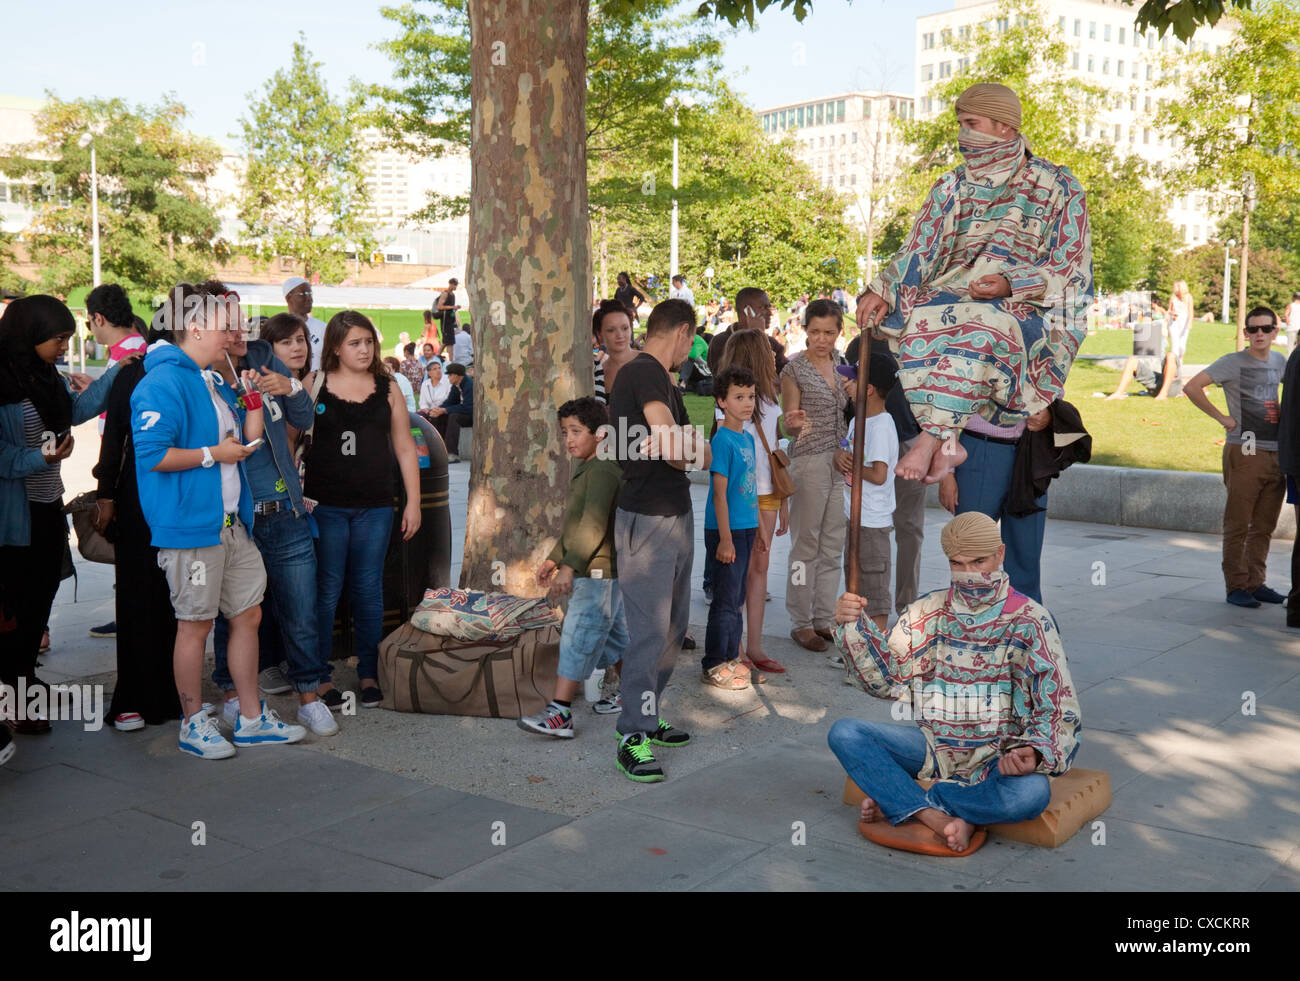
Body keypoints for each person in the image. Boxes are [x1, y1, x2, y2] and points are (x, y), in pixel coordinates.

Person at [856, 82, 1092, 486]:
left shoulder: (1058, 185)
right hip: (958, 296)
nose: (963, 135)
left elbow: (1070, 266)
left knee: (986, 323)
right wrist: (884, 286)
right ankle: (949, 442)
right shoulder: (951, 185)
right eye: (960, 124)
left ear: (1003, 126)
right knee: (922, 320)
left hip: (1034, 308)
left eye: (971, 123)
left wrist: (1009, 282)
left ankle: (932, 439)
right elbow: (921, 244)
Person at [827, 512, 1081, 854]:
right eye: (957, 563)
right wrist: (851, 627)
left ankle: (913, 802)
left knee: (1031, 795)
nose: (969, 574)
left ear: (1000, 554)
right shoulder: (927, 611)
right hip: (934, 748)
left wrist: (1033, 754)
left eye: (979, 561)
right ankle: (941, 817)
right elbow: (887, 679)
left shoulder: (1032, 621)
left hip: (998, 757)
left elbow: (1057, 710)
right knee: (845, 733)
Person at [131, 282, 306, 758]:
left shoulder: (210, 378)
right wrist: (213, 453)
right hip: (191, 528)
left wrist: (251, 405)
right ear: (195, 328)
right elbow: (153, 455)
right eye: (224, 323)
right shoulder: (163, 381)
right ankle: (193, 723)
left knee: (247, 614)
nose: (235, 331)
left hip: (231, 524)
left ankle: (251, 718)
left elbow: (243, 444)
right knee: (195, 625)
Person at [0, 296, 130, 734]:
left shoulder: (44, 376)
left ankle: (24, 683)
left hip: (47, 505)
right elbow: (1, 457)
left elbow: (73, 411)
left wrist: (116, 374)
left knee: (40, 599)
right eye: (57, 339)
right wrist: (42, 455)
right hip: (13, 516)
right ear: (30, 334)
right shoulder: (2, 382)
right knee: (14, 606)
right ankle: (13, 695)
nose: (62, 347)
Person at [207, 310, 337, 736]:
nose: (239, 330)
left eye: (241, 320)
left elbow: (305, 417)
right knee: (234, 614)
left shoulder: (263, 357)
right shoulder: (202, 376)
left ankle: (309, 698)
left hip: (285, 510)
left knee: (301, 610)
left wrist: (292, 386)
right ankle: (231, 697)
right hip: (238, 519)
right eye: (227, 325)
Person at [607, 298, 704, 782]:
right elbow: (673, 447)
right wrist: (688, 446)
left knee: (673, 628)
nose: (692, 348)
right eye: (693, 339)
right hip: (646, 519)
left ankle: (648, 712)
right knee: (648, 631)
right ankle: (631, 734)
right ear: (683, 332)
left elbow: (687, 451)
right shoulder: (643, 372)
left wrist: (690, 447)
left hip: (676, 512)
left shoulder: (664, 378)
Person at [304, 311, 422, 710]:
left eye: (368, 341)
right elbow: (289, 444)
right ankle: (318, 677)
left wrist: (414, 503)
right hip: (325, 506)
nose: (364, 349)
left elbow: (405, 447)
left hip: (375, 505)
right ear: (335, 347)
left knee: (369, 590)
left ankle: (368, 672)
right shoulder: (313, 385)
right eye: (354, 342)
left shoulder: (388, 388)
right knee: (327, 590)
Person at [519, 397, 629, 737]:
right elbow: (574, 524)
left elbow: (592, 526)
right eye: (565, 431)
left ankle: (560, 714)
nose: (568, 439)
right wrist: (555, 558)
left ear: (599, 434)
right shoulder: (590, 466)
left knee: (576, 636)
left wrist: (569, 567)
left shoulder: (603, 469)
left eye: (577, 431)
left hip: (597, 572)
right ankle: (636, 697)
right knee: (616, 640)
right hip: (599, 571)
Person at [93, 320, 181, 731]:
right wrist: (105, 494)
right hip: (137, 501)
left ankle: (171, 698)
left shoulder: (207, 375)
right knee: (137, 598)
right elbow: (114, 438)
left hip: (185, 502)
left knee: (178, 602)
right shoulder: (136, 370)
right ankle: (131, 698)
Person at [1184, 306, 1288, 608]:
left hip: (1276, 452)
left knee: (1264, 525)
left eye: (1266, 329)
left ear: (1275, 332)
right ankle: (1236, 586)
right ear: (1245, 332)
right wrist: (1222, 418)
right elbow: (1192, 387)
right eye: (1253, 329)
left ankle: (1256, 583)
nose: (1259, 334)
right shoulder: (1232, 362)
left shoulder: (1280, 361)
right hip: (1244, 449)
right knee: (1238, 523)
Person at [718, 329, 788, 674]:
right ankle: (737, 647)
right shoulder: (729, 403)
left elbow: (774, 454)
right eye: (769, 351)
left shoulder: (771, 402)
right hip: (743, 495)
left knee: (760, 568)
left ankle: (756, 646)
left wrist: (783, 501)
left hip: (769, 493)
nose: (775, 356)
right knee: (740, 572)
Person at [780, 297, 849, 652]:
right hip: (808, 460)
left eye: (829, 332)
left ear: (839, 332)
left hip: (839, 461)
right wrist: (790, 423)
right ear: (805, 330)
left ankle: (823, 618)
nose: (822, 339)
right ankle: (800, 620)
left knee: (833, 542)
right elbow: (788, 421)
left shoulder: (843, 364)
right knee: (805, 545)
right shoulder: (794, 369)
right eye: (815, 332)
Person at [702, 366, 762, 690]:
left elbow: (749, 491)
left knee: (737, 598)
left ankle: (732, 658)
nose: (747, 402)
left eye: (751, 396)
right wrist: (725, 538)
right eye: (738, 397)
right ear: (722, 401)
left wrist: (760, 531)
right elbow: (720, 495)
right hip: (726, 531)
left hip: (746, 528)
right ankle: (714, 662)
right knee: (725, 600)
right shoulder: (722, 441)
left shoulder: (747, 439)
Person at [834, 355, 899, 633]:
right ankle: (858, 645)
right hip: (855, 518)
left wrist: (855, 465)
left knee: (874, 590)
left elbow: (879, 474)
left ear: (869, 388)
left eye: (852, 380)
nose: (846, 383)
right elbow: (849, 458)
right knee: (856, 585)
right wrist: (841, 458)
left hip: (872, 522)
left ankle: (876, 647)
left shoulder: (881, 425)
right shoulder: (858, 421)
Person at [706, 288, 787, 381]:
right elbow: (734, 378)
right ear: (747, 311)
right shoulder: (721, 342)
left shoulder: (771, 343)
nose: (769, 313)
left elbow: (789, 373)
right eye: (763, 307)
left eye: (769, 307)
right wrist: (756, 338)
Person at [592, 299, 638, 404]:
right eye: (611, 330)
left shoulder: (652, 362)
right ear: (600, 334)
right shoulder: (599, 374)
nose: (620, 335)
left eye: (625, 328)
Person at [283, 277, 326, 372]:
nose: (309, 298)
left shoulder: (323, 328)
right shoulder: (280, 328)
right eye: (303, 294)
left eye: (310, 293)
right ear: (288, 298)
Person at [259, 311, 311, 382]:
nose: (297, 348)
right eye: (286, 342)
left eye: (300, 340)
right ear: (269, 348)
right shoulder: (261, 389)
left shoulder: (319, 382)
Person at [442, 362, 474, 463]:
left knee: (454, 416)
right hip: (464, 413)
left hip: (472, 416)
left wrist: (446, 410)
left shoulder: (469, 384)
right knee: (439, 417)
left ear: (456, 375)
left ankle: (452, 454)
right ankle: (440, 451)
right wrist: (438, 410)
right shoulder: (456, 386)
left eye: (450, 375)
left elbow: (469, 407)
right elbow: (450, 402)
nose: (448, 378)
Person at [1167, 280, 1194, 378]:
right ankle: (1174, 369)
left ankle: (1180, 361)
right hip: (1174, 321)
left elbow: (1190, 311)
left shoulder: (1188, 297)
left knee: (1182, 346)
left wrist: (1190, 323)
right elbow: (1169, 310)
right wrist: (1171, 313)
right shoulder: (1173, 297)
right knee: (1175, 346)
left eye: (1176, 287)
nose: (1174, 289)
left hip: (1184, 321)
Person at [436, 278, 460, 351]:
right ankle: (439, 356)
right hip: (445, 321)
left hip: (451, 321)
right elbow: (439, 306)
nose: (456, 286)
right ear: (451, 284)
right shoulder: (445, 294)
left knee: (450, 342)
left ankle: (450, 359)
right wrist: (452, 307)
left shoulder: (453, 295)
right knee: (446, 341)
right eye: (455, 285)